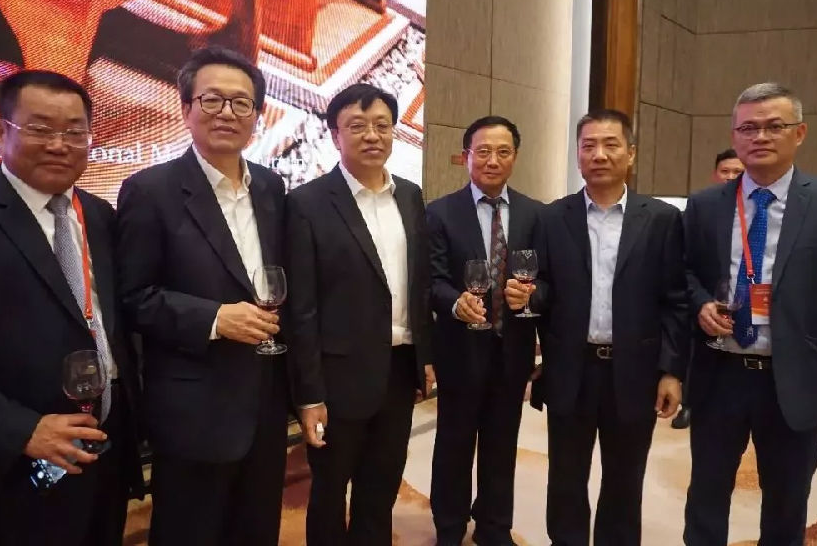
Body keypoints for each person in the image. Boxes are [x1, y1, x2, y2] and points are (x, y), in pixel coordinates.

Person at [0, 70, 144, 545]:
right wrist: (22, 431)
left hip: (104, 458)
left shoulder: (101, 216)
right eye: (39, 129)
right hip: (10, 476)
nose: (59, 145)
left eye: (75, 132)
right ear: (0, 132)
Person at [116, 46, 288, 545]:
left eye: (242, 103)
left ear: (257, 115)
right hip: (193, 410)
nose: (227, 113)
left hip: (264, 405)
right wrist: (214, 318)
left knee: (257, 531)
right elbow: (133, 298)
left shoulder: (271, 188)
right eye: (212, 100)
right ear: (185, 107)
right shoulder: (150, 190)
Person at [683, 82, 817, 546]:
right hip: (720, 374)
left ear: (800, 132)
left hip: (795, 378)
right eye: (748, 128)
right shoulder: (705, 205)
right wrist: (700, 303)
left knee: (786, 503)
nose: (760, 136)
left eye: (774, 126)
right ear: (734, 136)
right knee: (706, 496)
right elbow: (684, 273)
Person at [530, 109, 689, 546]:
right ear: (578, 155)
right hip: (571, 369)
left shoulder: (661, 219)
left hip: (635, 371)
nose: (599, 154)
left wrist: (671, 371)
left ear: (630, 154)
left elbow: (675, 301)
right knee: (566, 478)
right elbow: (541, 289)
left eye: (610, 144)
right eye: (588, 146)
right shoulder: (551, 218)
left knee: (624, 480)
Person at [286, 83, 435, 545]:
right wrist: (309, 394)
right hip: (337, 378)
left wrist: (426, 357)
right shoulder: (307, 203)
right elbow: (302, 308)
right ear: (335, 135)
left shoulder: (409, 196)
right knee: (330, 492)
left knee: (380, 487)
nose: (372, 135)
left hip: (398, 371)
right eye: (357, 126)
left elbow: (419, 284)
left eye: (382, 125)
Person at [426, 116, 542, 546]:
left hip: (512, 349)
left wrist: (532, 296)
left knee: (501, 443)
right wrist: (454, 302)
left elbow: (548, 282)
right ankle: (449, 526)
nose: (493, 160)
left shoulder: (535, 213)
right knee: (454, 443)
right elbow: (432, 279)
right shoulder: (440, 212)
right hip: (459, 349)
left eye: (503, 152)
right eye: (484, 151)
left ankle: (494, 526)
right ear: (467, 156)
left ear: (515, 157)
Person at [672, 148, 746, 429]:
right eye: (725, 171)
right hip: (705, 307)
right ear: (716, 174)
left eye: (737, 172)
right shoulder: (701, 206)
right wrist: (701, 300)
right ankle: (688, 405)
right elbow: (682, 263)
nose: (730, 176)